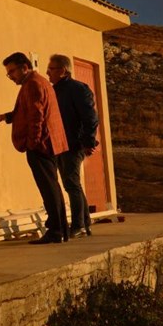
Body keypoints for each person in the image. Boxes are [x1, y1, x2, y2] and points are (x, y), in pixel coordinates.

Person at [0, 52, 69, 244]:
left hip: (41, 144)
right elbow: (29, 110)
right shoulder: (39, 81)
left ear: (24, 67)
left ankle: (55, 231)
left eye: (12, 72)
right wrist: (10, 116)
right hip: (48, 142)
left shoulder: (33, 84)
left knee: (48, 188)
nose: (10, 76)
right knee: (52, 187)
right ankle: (61, 229)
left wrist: (33, 143)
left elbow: (37, 116)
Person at [47, 54, 99, 238]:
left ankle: (78, 225)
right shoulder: (55, 91)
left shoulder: (77, 89)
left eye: (51, 69)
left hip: (73, 144)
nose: (47, 72)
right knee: (72, 183)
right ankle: (84, 224)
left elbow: (90, 117)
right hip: (60, 143)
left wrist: (88, 142)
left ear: (63, 70)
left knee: (71, 184)